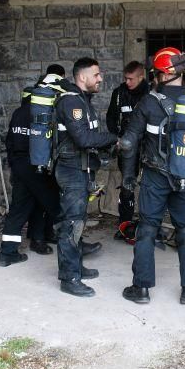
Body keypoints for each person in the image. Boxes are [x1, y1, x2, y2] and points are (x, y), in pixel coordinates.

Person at [120, 47, 185, 305]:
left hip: (155, 176)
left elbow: (128, 143)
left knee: (148, 228)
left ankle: (142, 289)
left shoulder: (148, 102)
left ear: (162, 74)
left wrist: (128, 176)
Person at [55, 57, 118, 298]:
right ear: (82, 77)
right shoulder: (72, 102)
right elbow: (83, 140)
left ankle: (76, 267)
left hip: (80, 170)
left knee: (78, 221)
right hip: (71, 172)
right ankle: (69, 278)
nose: (100, 78)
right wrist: (113, 138)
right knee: (72, 225)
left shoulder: (82, 100)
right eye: (96, 74)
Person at [0, 79, 64, 266]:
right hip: (35, 166)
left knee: (19, 209)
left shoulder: (18, 112)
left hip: (19, 166)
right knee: (54, 205)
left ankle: (7, 252)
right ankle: (72, 243)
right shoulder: (42, 113)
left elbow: (9, 141)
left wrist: (14, 164)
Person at [106, 61, 149, 242]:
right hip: (126, 148)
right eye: (125, 78)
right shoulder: (119, 94)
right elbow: (111, 118)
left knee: (150, 187)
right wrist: (117, 140)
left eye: (131, 79)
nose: (127, 82)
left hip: (148, 147)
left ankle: (148, 226)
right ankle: (125, 225)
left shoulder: (151, 94)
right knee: (127, 186)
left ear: (141, 77)